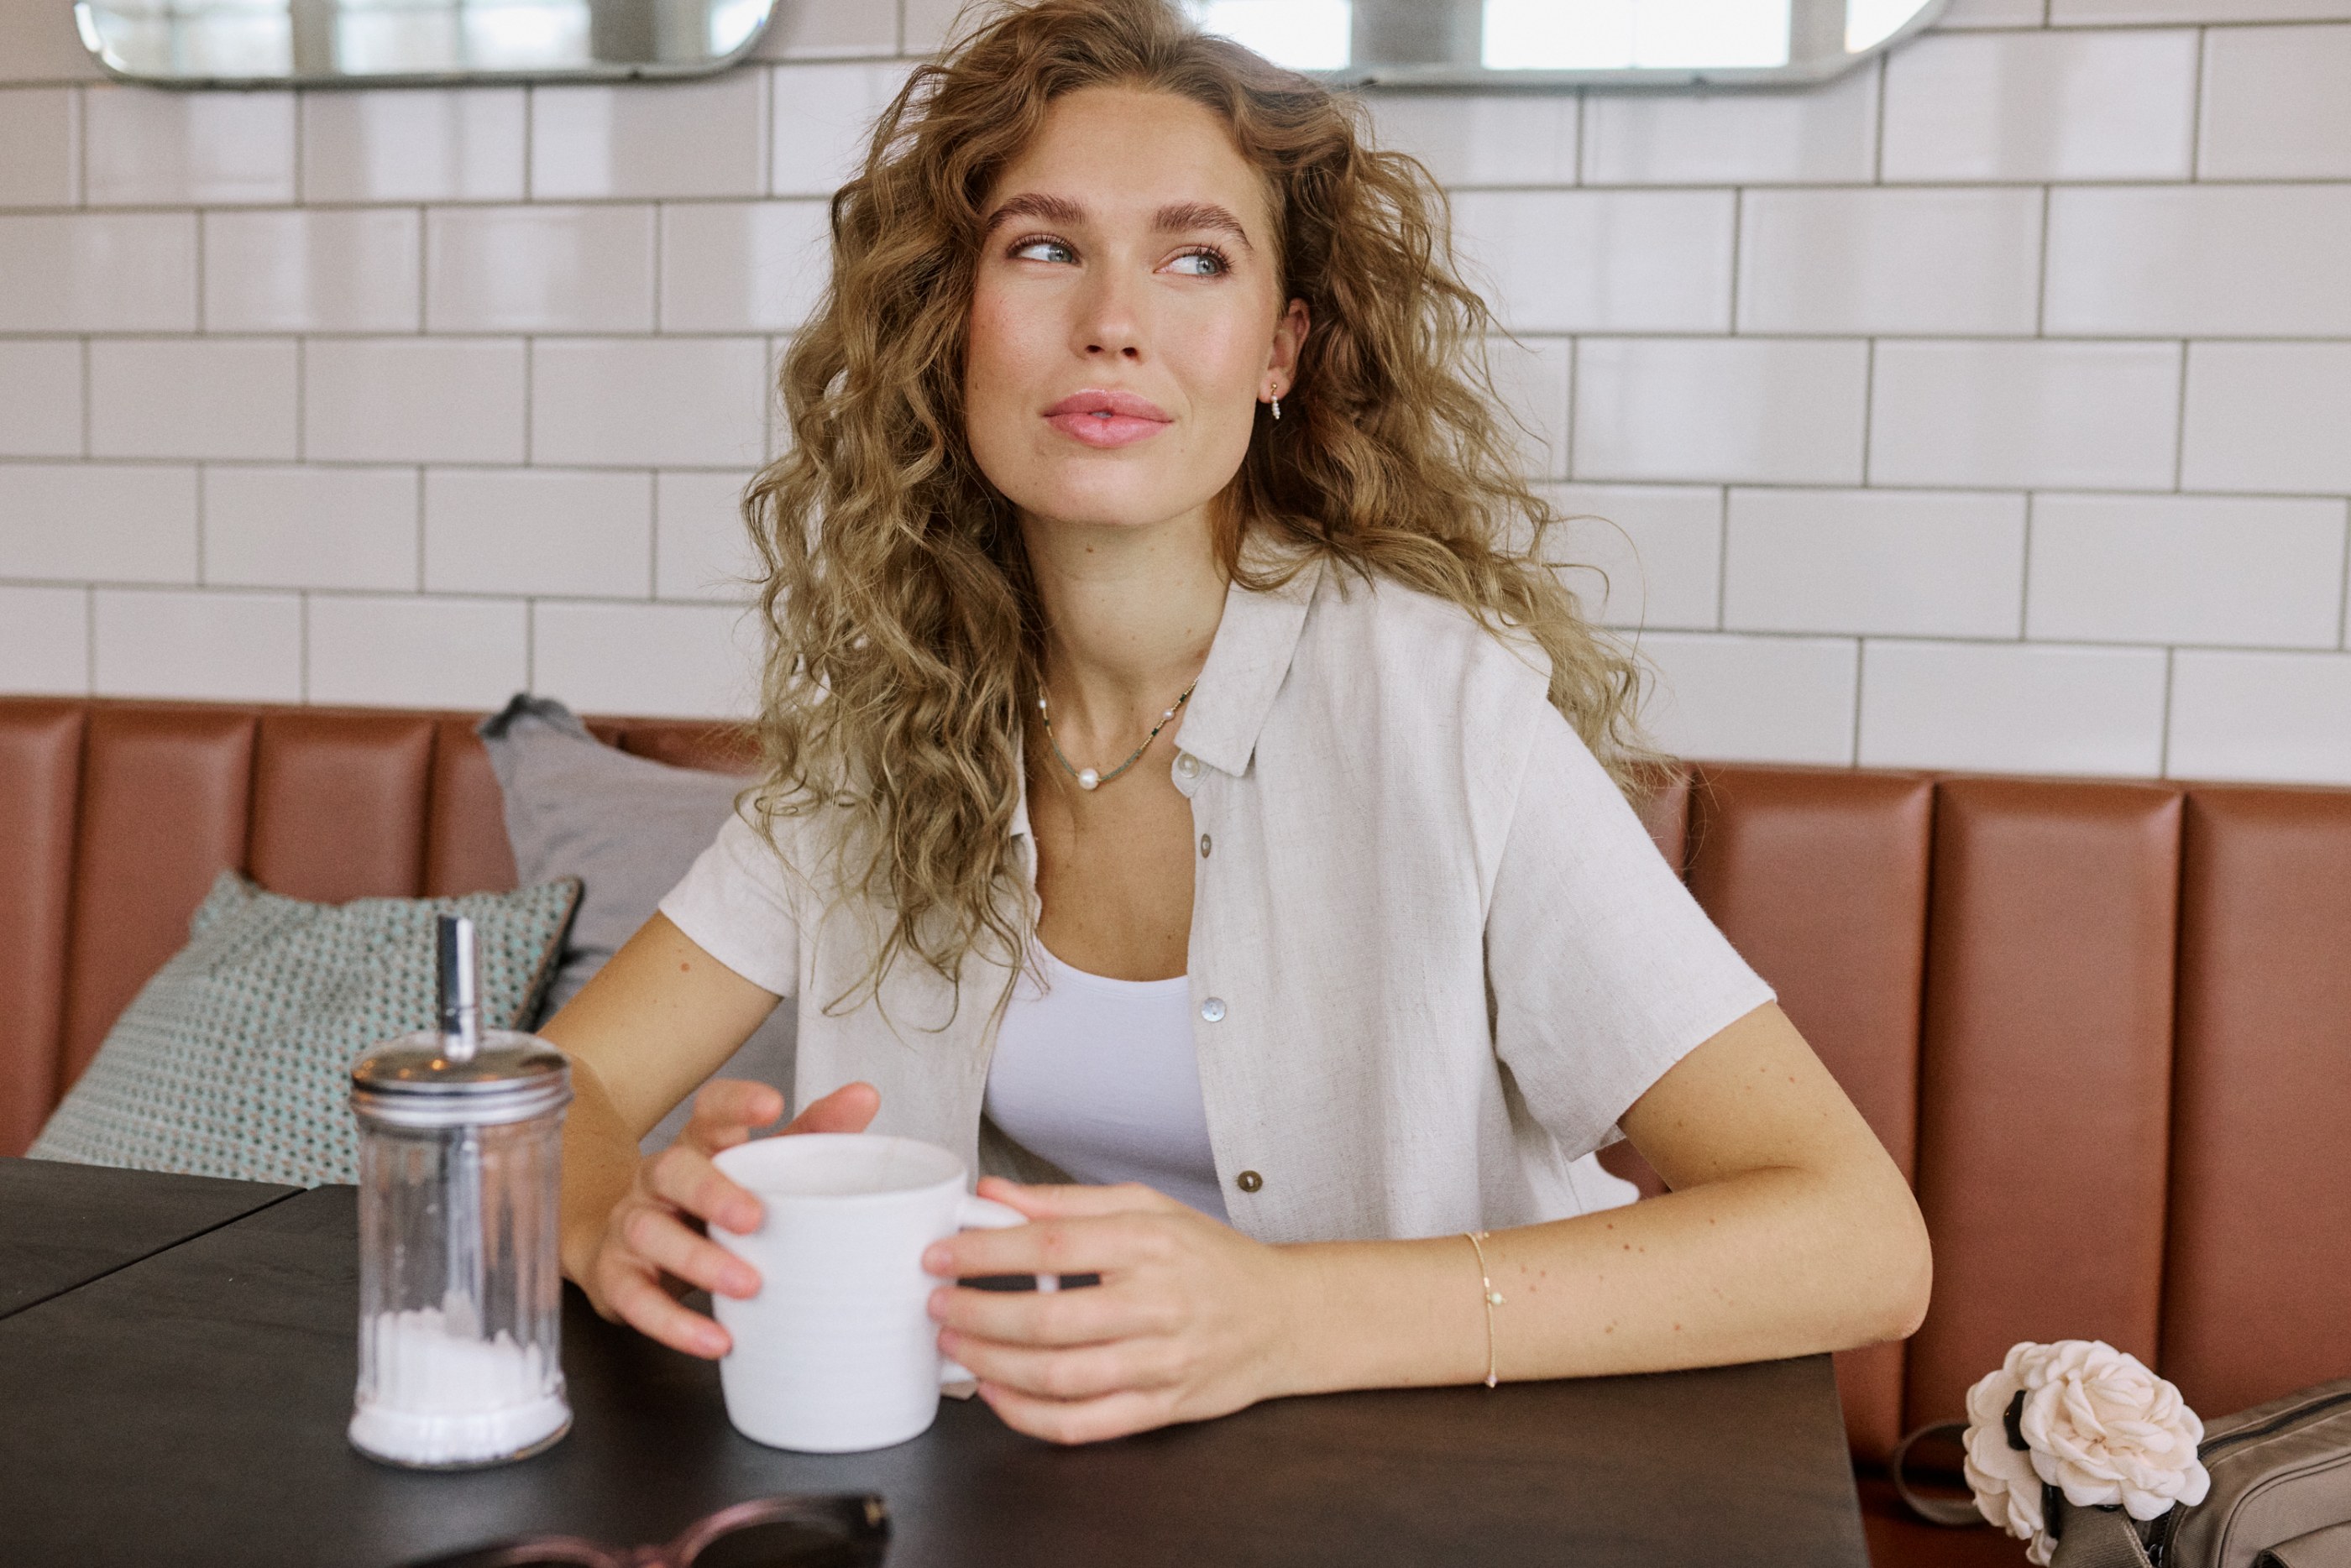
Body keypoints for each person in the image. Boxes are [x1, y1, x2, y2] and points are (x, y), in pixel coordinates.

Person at [542, 0, 1931, 1446]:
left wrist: (1281, 1317)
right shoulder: (889, 723)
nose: (1114, 324)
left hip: (1441, 1502)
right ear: (951, 326)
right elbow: (561, 1091)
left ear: (1281, 350)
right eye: (1043, 247)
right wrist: (605, 1218)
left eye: (1193, 258)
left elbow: (1860, 1243)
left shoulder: (1443, 708)